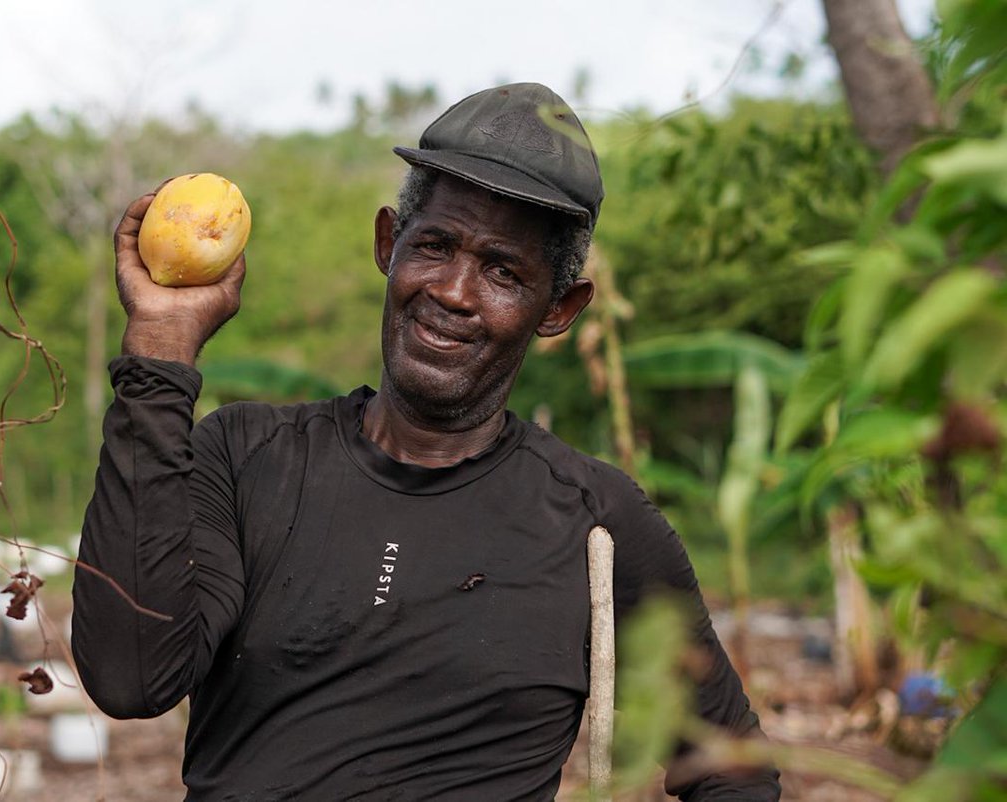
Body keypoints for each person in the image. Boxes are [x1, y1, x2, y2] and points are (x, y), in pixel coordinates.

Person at [72, 82, 781, 801]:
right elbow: (131, 677)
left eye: (504, 271)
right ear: (389, 243)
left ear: (558, 309)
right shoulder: (248, 458)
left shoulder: (596, 520)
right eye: (435, 245)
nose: (453, 291)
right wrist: (159, 349)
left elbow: (733, 771)